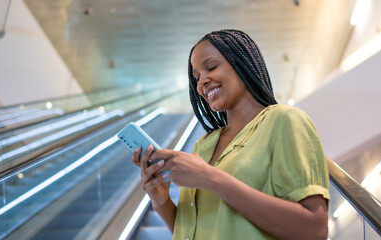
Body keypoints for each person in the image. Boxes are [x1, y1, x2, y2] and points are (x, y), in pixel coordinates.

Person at [131, 29, 330, 240]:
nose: (201, 83)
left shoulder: (284, 121)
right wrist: (161, 201)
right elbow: (194, 231)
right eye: (197, 77)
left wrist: (211, 178)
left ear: (242, 63)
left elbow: (314, 230)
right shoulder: (203, 145)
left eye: (211, 67)